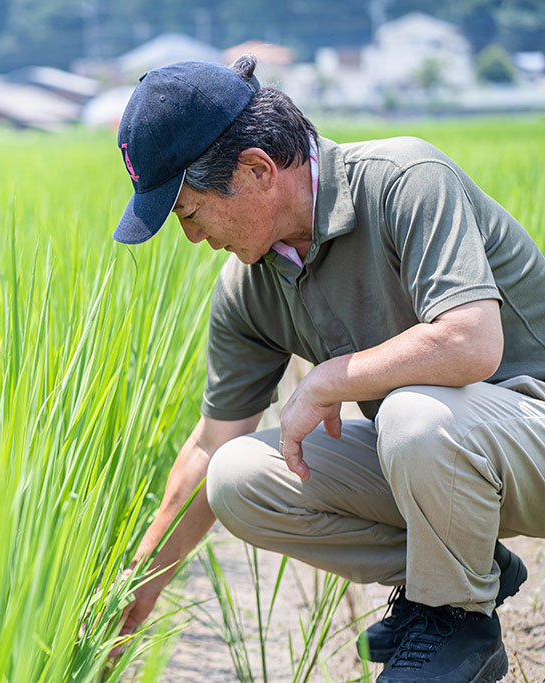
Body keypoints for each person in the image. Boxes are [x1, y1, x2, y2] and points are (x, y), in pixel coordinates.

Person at [110, 55, 545, 683]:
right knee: (237, 478)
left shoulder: (404, 178)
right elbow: (212, 445)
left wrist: (328, 378)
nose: (193, 238)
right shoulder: (250, 285)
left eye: (190, 213)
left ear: (256, 169)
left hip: (530, 431)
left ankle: (455, 623)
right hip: (451, 460)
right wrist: (134, 592)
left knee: (412, 413)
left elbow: (471, 343)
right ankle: (467, 570)